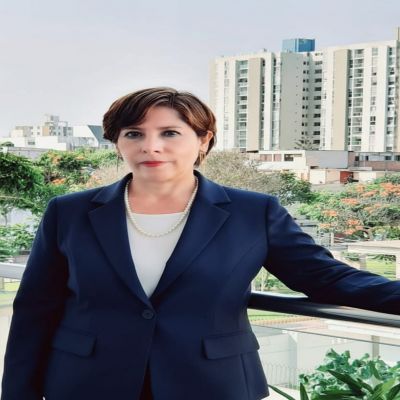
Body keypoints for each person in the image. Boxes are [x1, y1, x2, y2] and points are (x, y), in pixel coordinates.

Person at [1, 87, 399, 400]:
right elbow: (35, 309)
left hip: (211, 383)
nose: (150, 146)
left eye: (169, 133)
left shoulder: (253, 212)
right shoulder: (69, 212)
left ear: (203, 141)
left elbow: (326, 278)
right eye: (134, 134)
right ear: (117, 142)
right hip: (87, 382)